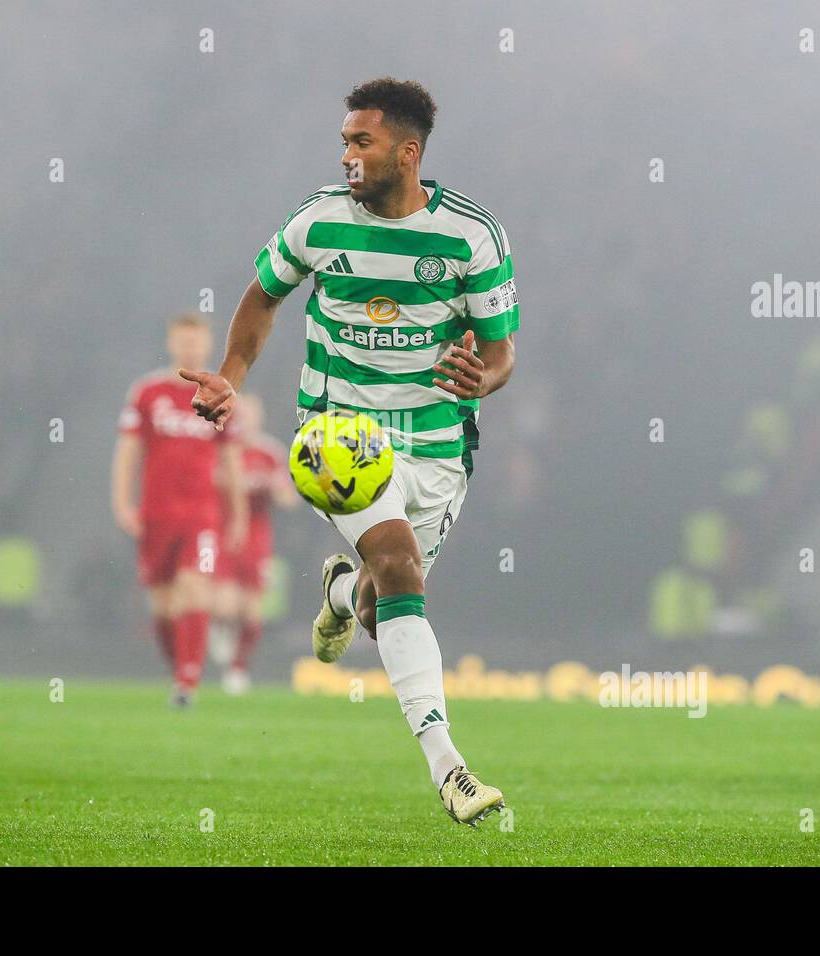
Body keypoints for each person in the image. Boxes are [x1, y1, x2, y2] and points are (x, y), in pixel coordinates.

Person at [180, 78, 518, 824]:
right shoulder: (319, 222)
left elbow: (501, 355)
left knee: (380, 599)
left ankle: (340, 592)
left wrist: (483, 378)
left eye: (361, 143)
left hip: (434, 441)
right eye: (344, 143)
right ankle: (450, 769)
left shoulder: (472, 236)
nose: (347, 158)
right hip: (338, 431)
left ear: (408, 151)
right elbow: (263, 295)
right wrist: (231, 378)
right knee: (398, 565)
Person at [112, 312, 247, 707]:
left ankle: (188, 681)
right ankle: (180, 670)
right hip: (156, 513)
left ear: (206, 346)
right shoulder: (147, 392)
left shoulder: (218, 394)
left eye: (196, 341)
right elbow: (128, 451)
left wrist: (236, 514)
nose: (189, 347)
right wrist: (122, 502)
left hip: (202, 514)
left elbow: (232, 461)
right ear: (172, 343)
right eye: (182, 340)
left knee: (195, 588)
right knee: (163, 602)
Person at [209, 393, 297, 694]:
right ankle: (217, 628)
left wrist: (277, 490)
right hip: (221, 533)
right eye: (240, 415)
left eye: (250, 415)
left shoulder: (270, 452)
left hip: (257, 537)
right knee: (223, 605)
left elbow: (288, 498)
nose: (244, 421)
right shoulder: (219, 449)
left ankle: (237, 669)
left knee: (252, 611)